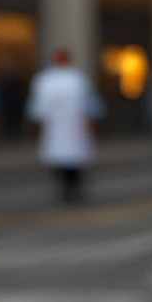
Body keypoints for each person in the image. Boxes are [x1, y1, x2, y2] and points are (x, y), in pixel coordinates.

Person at [26, 47, 98, 203]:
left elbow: (37, 108)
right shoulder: (73, 78)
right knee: (66, 158)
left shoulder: (49, 79)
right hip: (61, 127)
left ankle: (70, 188)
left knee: (67, 158)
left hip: (69, 126)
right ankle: (68, 188)